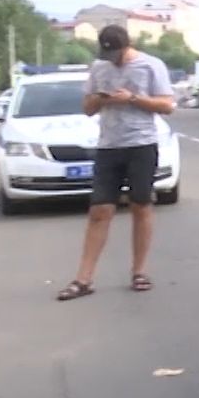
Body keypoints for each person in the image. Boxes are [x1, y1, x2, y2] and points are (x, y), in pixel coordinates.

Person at [56, 25, 175, 301]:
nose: (113, 59)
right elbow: (87, 109)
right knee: (99, 209)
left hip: (141, 144)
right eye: (108, 53)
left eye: (116, 53)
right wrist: (101, 97)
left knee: (140, 205)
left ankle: (139, 271)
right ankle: (83, 279)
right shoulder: (99, 67)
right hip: (109, 145)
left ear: (127, 45)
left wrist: (132, 98)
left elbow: (168, 105)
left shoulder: (150, 65)